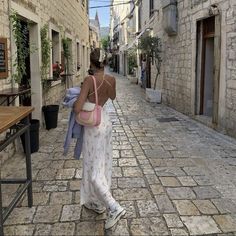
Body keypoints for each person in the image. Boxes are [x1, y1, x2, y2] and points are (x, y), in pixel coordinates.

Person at [74, 48, 126, 230]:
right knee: (103, 162)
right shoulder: (111, 80)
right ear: (104, 63)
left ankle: (114, 207)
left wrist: (76, 98)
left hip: (93, 125)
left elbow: (78, 107)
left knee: (94, 168)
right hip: (105, 121)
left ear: (91, 62)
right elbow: (112, 97)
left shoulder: (89, 80)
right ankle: (95, 201)